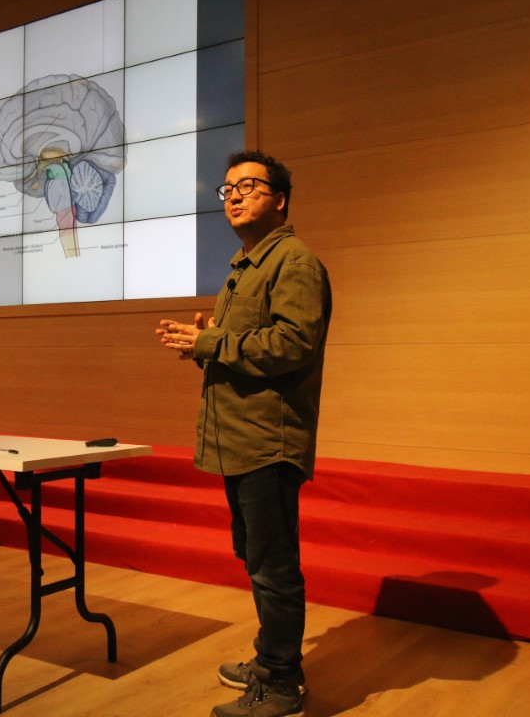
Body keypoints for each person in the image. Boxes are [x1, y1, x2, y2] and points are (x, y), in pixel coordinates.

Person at [156, 150, 331, 717]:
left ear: (279, 199)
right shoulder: (247, 266)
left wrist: (210, 342)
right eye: (227, 188)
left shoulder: (295, 263)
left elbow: (291, 345)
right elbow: (248, 352)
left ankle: (283, 685)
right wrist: (201, 345)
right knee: (256, 558)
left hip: (266, 442)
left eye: (248, 186)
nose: (233, 195)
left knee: (273, 565)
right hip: (239, 438)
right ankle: (270, 656)